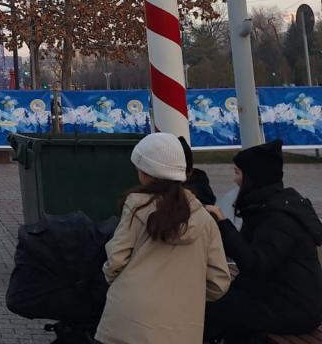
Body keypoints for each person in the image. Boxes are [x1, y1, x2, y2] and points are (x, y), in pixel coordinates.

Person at [95, 133, 230, 344]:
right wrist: (187, 295)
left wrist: (123, 286)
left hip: (129, 320)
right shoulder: (204, 218)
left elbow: (115, 261)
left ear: (145, 172)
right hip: (181, 327)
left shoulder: (137, 208)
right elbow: (219, 281)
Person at [204, 139, 322, 342]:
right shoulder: (265, 206)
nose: (234, 180)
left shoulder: (279, 217)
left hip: (295, 308)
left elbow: (255, 263)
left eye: (237, 173)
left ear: (253, 178)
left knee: (216, 307)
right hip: (278, 296)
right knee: (219, 299)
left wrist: (223, 223)